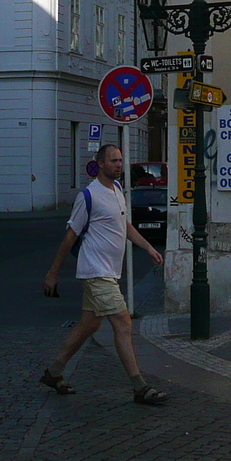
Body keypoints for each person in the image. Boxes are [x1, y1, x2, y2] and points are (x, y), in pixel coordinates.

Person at [40, 144, 168, 404]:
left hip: (109, 272)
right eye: (113, 161)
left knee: (89, 325)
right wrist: (53, 273)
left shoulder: (118, 190)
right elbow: (70, 236)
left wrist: (147, 247)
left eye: (120, 160)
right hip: (95, 272)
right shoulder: (88, 196)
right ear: (100, 163)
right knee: (123, 323)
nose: (119, 165)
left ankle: (53, 372)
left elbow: (125, 226)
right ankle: (140, 388)